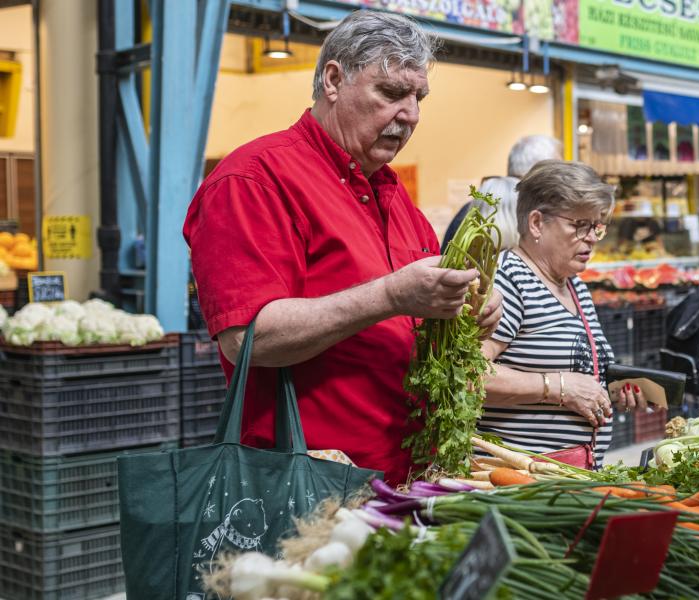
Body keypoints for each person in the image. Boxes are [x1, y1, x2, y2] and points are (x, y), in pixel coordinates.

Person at [182, 11, 502, 484]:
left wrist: (464, 313)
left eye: (418, 98)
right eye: (391, 93)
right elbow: (248, 338)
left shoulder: (392, 196)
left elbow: (417, 330)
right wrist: (391, 295)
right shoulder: (254, 180)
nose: (410, 114)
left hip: (409, 479)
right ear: (333, 80)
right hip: (307, 489)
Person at [480, 160, 647, 465]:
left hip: (565, 475)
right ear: (536, 223)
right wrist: (556, 386)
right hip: (519, 479)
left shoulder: (572, 284)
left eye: (596, 225)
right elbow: (470, 374)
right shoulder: (509, 280)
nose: (593, 237)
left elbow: (574, 368)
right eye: (579, 225)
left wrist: (608, 391)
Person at [442, 135, 562, 249]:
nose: (560, 181)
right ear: (535, 173)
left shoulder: (472, 209)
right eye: (555, 173)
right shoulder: (530, 213)